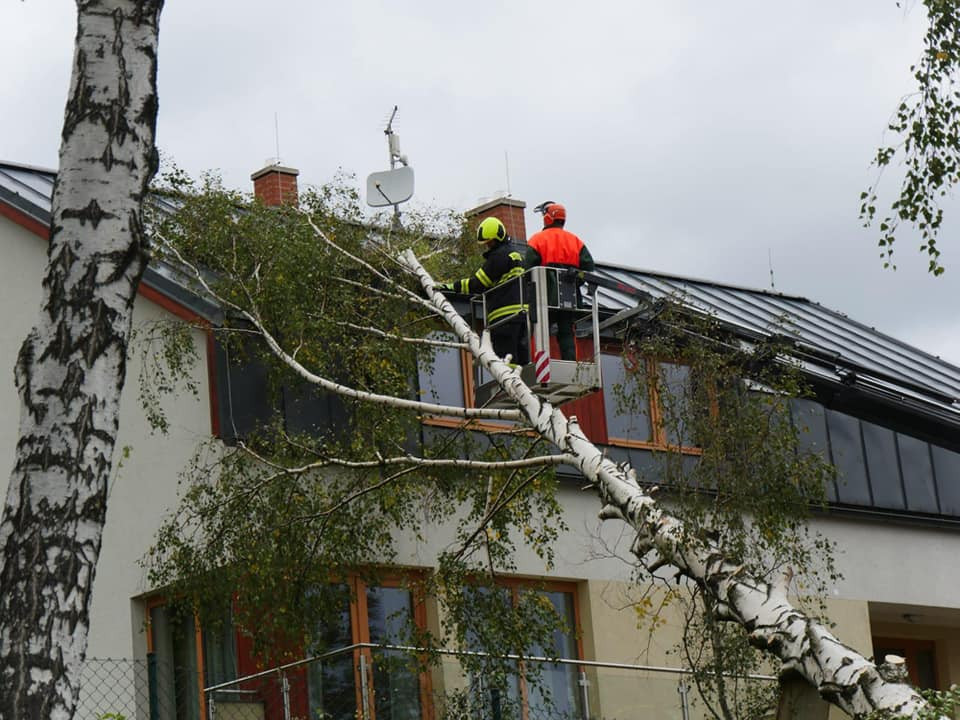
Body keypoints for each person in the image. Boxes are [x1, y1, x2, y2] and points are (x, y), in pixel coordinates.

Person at [437, 217, 529, 365]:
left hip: (503, 318)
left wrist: (452, 286)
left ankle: (509, 379)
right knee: (520, 360)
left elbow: (477, 284)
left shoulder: (498, 256)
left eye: (490, 242)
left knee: (505, 361)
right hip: (522, 317)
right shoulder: (517, 255)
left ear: (498, 238)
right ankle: (520, 378)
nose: (488, 246)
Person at [524, 201, 595, 360]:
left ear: (547, 218)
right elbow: (589, 268)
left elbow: (527, 269)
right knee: (566, 333)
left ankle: (538, 362)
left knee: (540, 330)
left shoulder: (537, 240)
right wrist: (576, 280)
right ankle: (570, 363)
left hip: (544, 297)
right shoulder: (575, 241)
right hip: (569, 297)